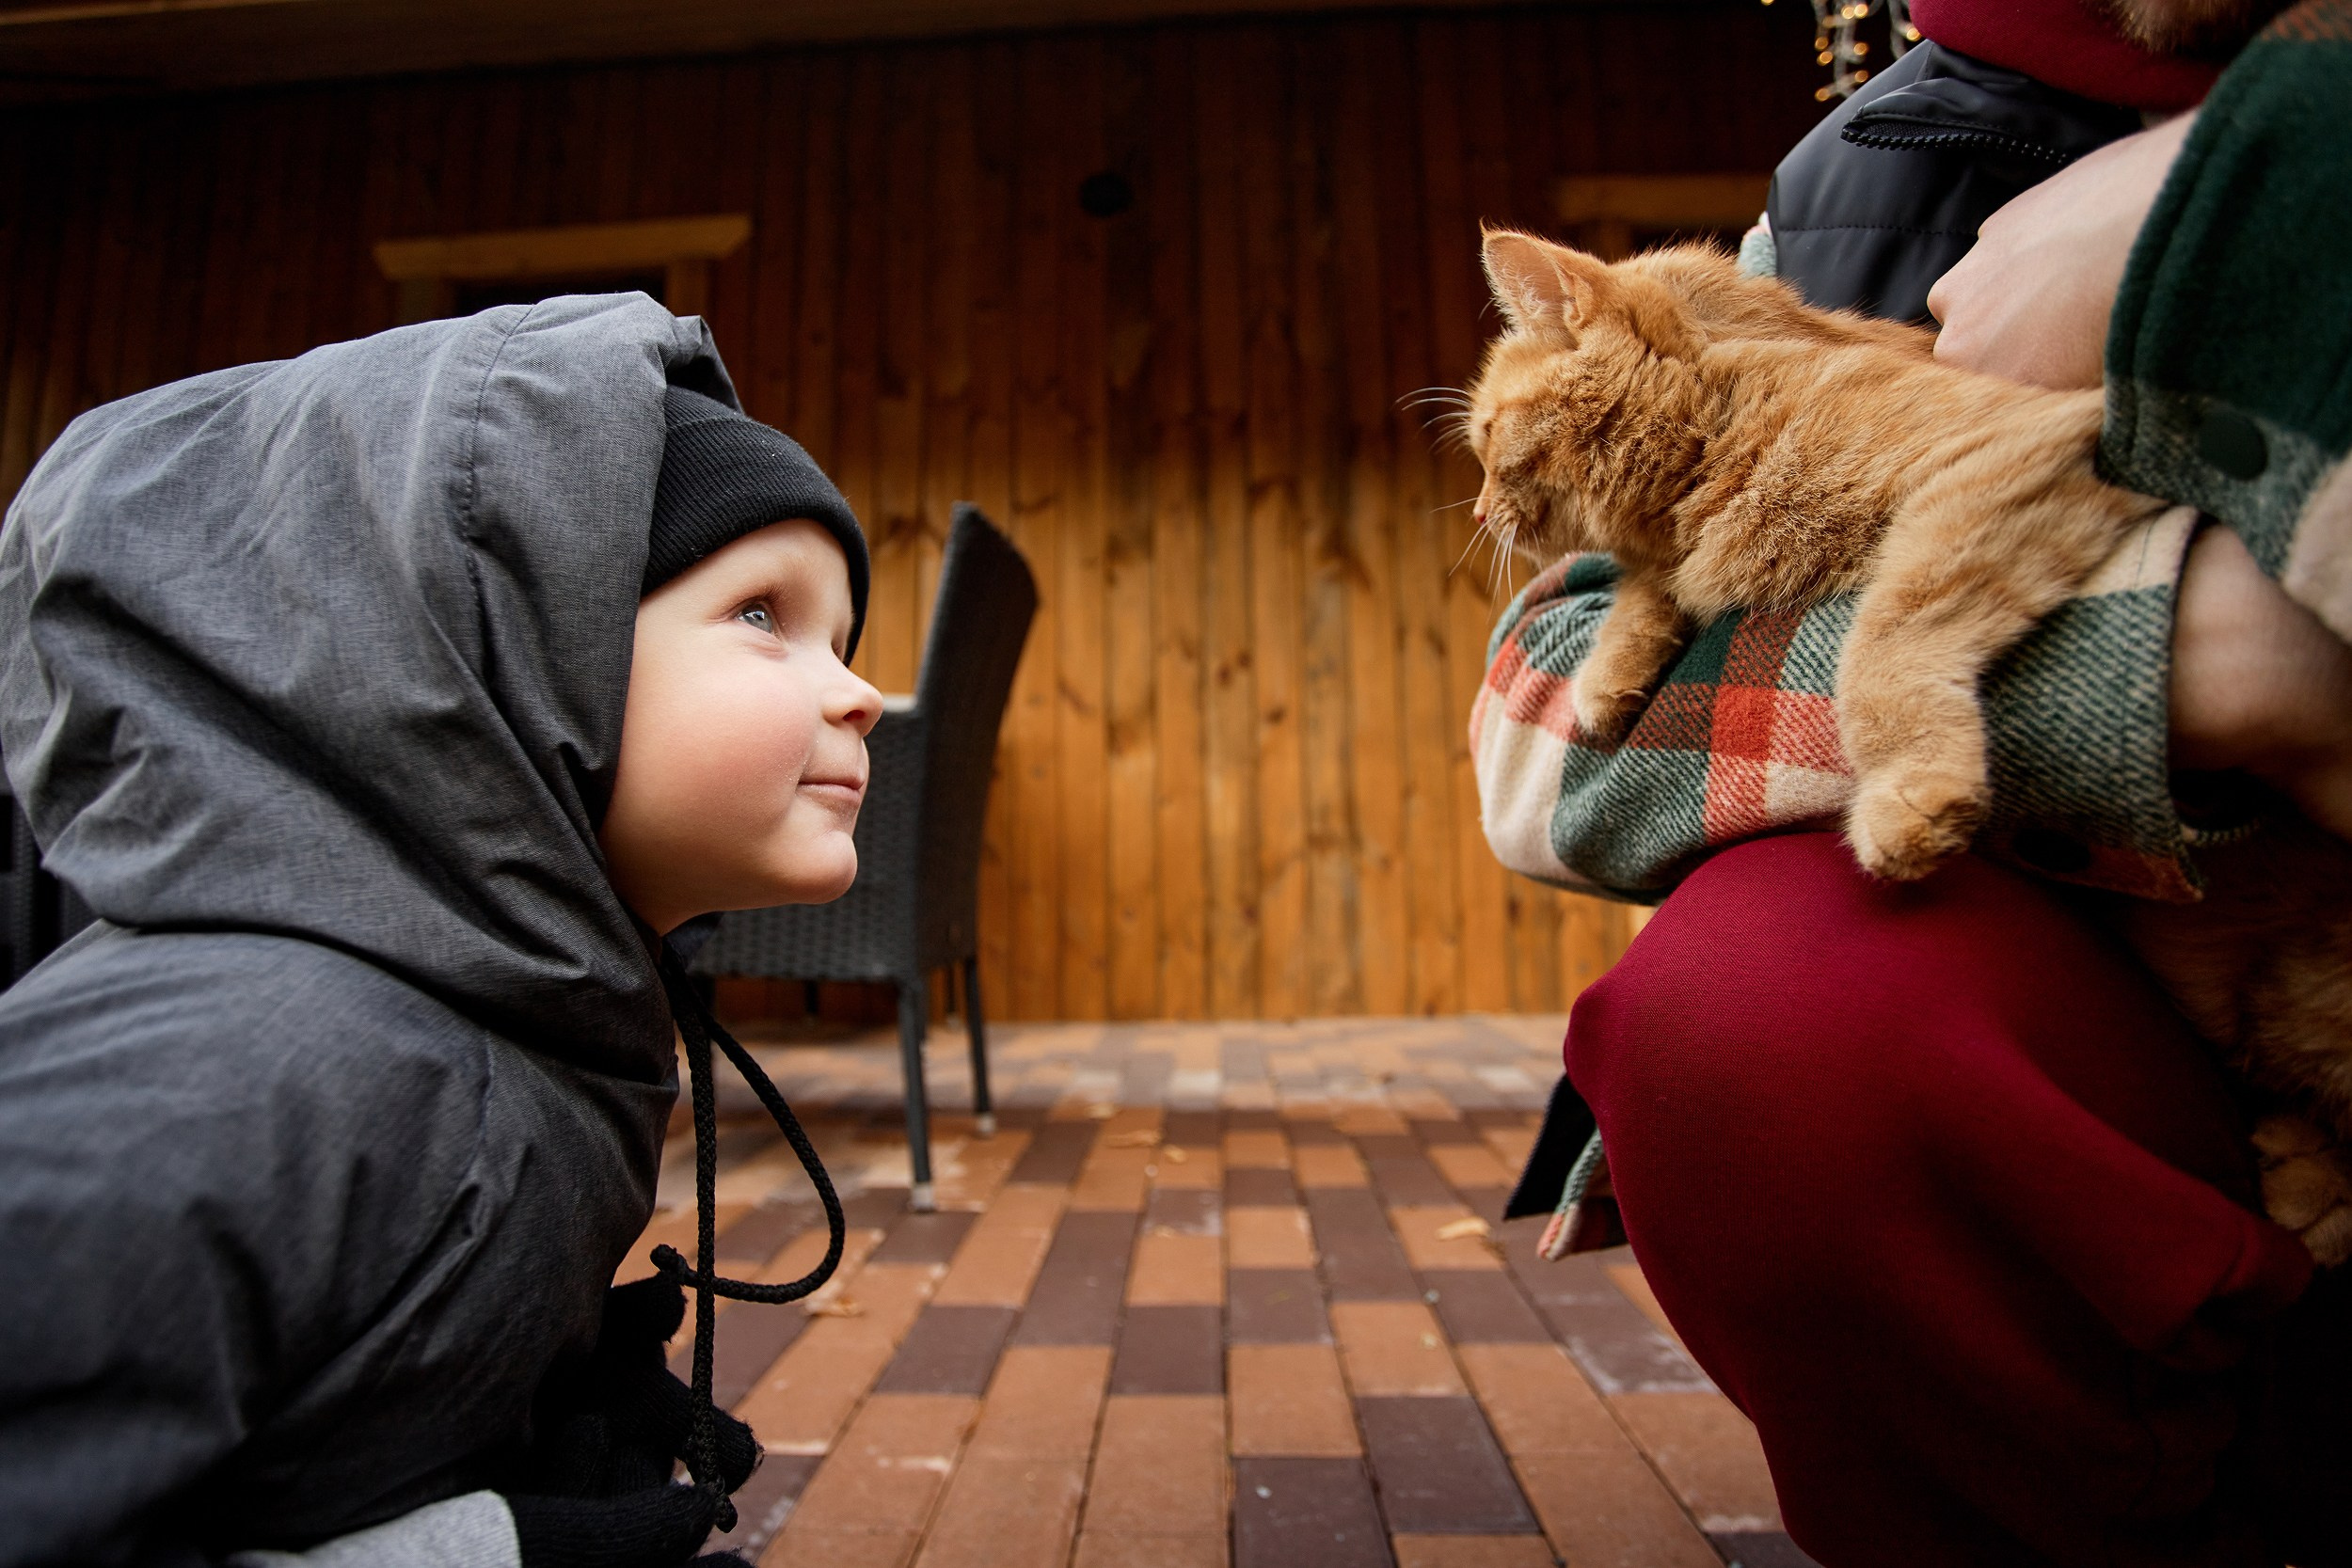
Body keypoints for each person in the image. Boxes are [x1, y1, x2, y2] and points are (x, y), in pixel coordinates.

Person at [1474, 0, 2352, 1560]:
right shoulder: (1858, 177)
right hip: (2139, 997)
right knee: (1757, 1011)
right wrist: (2190, 663)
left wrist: (2257, 181)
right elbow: (1537, 740)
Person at [0, 294, 881, 1566]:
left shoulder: (526, 1010)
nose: (856, 690)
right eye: (762, 614)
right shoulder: (263, 1064)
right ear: (496, 657)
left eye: (845, 637)